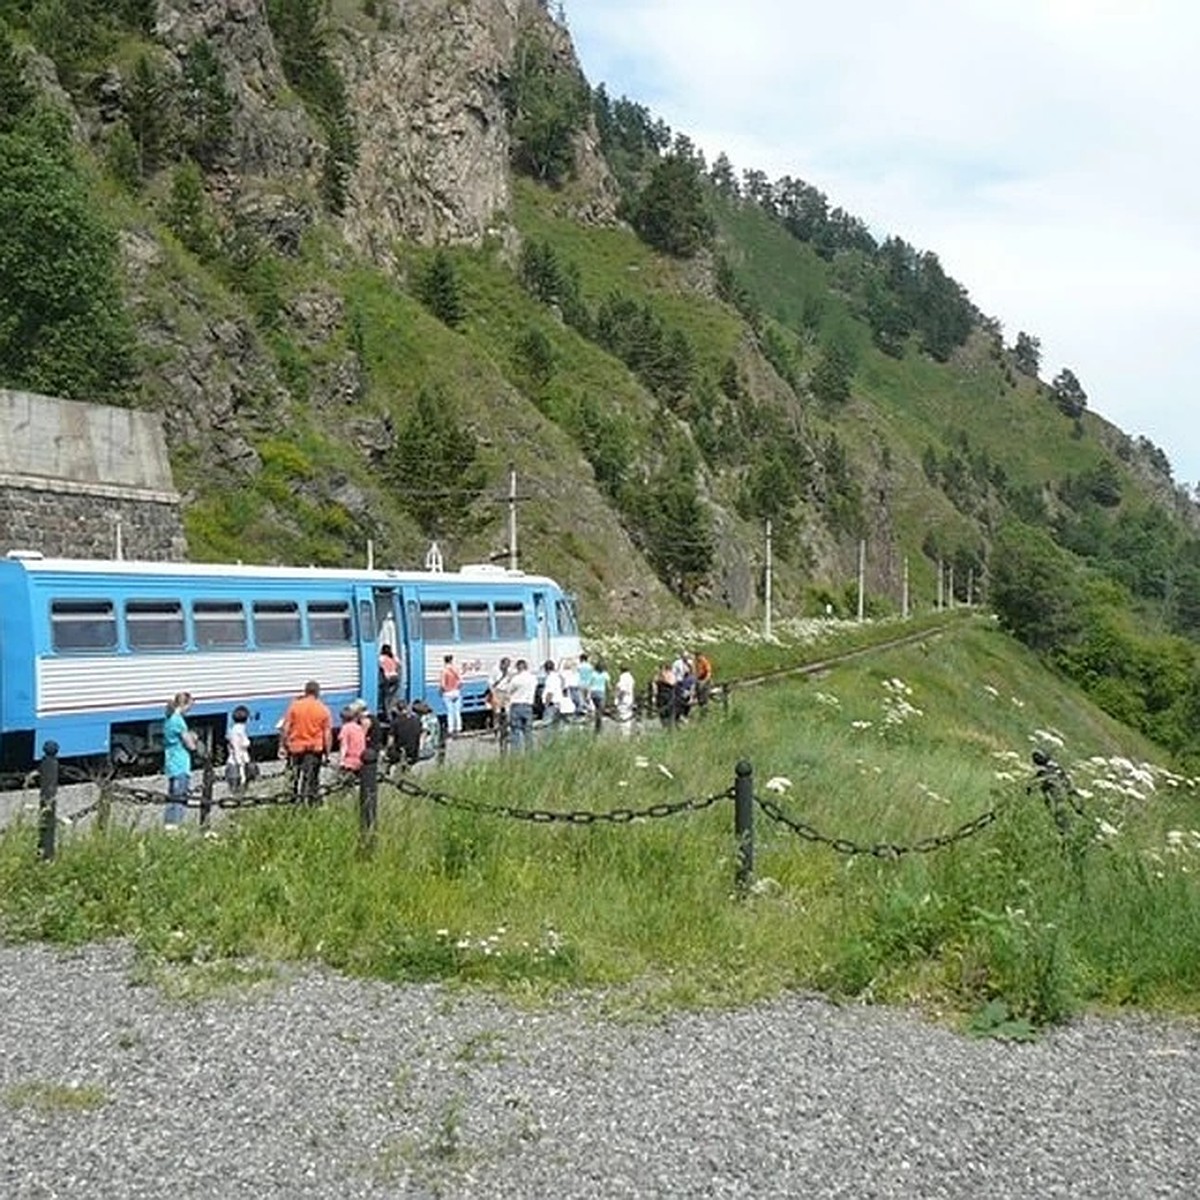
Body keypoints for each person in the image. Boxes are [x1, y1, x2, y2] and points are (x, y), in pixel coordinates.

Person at [281, 679, 332, 806]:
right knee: (311, 779)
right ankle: (311, 803)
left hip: (295, 748)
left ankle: (292, 801)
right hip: (314, 749)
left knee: (293, 777)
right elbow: (327, 734)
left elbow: (285, 727)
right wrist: (327, 753)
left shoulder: (294, 706)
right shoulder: (323, 709)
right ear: (318, 693)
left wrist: (282, 745)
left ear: (305, 691)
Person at [163, 692, 198, 828]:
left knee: (172, 798)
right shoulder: (179, 721)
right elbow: (191, 745)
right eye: (189, 706)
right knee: (180, 798)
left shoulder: (168, 719)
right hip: (180, 763)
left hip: (171, 762)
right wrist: (193, 738)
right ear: (184, 705)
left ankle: (169, 826)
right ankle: (176, 827)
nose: (190, 710)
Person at [507, 659, 538, 752]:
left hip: (516, 705)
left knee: (516, 730)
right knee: (528, 731)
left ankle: (516, 753)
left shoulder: (516, 679)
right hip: (528, 706)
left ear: (518, 668)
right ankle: (530, 752)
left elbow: (509, 691)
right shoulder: (533, 678)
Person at [225, 704, 253, 794]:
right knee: (239, 789)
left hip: (240, 760)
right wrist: (240, 763)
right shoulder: (238, 730)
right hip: (237, 763)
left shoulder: (237, 729)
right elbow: (236, 747)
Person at [387, 702, 423, 771]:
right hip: (414, 752)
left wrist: (387, 750)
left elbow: (390, 740)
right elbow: (421, 735)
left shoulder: (395, 721)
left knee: (390, 755)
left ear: (397, 710)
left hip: (399, 751)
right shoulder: (416, 720)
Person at [337, 699, 368, 777]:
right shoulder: (359, 728)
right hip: (360, 759)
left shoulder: (345, 728)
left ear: (343, 719)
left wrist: (341, 761)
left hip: (350, 761)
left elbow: (344, 746)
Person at [440, 653, 463, 737]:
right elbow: (461, 682)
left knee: (450, 712)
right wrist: (457, 688)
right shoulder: (455, 669)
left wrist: (442, 691)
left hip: (448, 693)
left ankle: (451, 729)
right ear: (451, 660)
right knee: (457, 711)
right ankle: (459, 728)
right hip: (456, 692)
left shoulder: (444, 670)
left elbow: (442, 684)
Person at [589, 658, 610, 734]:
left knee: (596, 708)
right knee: (600, 710)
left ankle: (596, 725)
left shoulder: (593, 674)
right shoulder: (605, 674)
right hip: (601, 693)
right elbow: (608, 684)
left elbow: (590, 683)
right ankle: (598, 727)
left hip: (594, 693)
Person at [378, 644, 400, 711]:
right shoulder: (393, 657)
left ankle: (388, 714)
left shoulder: (381, 658)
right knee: (393, 695)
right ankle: (393, 709)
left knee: (386, 697)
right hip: (395, 677)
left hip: (387, 678)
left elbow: (380, 667)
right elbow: (399, 664)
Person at [615, 665, 636, 730]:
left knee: (623, 715)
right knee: (628, 714)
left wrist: (619, 698)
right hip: (630, 698)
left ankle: (624, 732)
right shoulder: (631, 677)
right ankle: (627, 731)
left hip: (623, 699)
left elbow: (622, 689)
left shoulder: (623, 677)